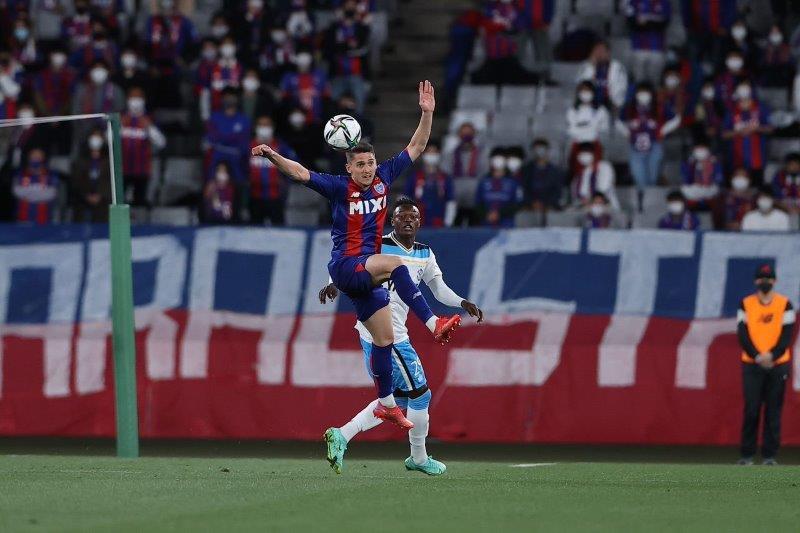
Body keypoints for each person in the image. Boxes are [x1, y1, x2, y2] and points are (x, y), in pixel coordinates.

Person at [252, 81, 462, 431]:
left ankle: (387, 405)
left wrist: (427, 113)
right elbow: (301, 173)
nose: (367, 169)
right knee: (396, 264)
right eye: (360, 164)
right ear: (348, 168)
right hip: (347, 266)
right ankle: (432, 323)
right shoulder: (338, 187)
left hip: (365, 274)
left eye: (370, 162)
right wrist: (273, 156)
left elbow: (417, 146)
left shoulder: (384, 177)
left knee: (384, 340)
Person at [319, 197, 484, 476]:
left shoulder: (424, 253)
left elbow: (438, 288)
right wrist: (334, 283)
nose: (408, 220)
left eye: (413, 216)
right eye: (402, 216)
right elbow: (350, 264)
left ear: (420, 222)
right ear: (392, 221)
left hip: (392, 332)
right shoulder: (378, 245)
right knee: (421, 394)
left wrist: (461, 302)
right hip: (385, 332)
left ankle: (342, 434)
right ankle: (418, 458)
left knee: (398, 400)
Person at [737, 264, 795, 465]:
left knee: (773, 411)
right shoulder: (746, 304)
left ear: (775, 281)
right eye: (762, 278)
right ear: (756, 281)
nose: (765, 282)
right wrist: (757, 356)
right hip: (752, 364)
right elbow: (742, 334)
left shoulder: (785, 304)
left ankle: (769, 456)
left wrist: (771, 356)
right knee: (752, 409)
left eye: (768, 278)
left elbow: (787, 335)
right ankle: (747, 456)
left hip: (777, 365)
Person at [617, 82, 680, 195]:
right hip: (636, 146)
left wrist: (663, 131)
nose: (643, 95)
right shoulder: (630, 107)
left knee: (652, 179)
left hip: (654, 145)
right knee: (640, 180)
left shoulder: (659, 106)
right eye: (640, 92)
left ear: (651, 94)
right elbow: (618, 121)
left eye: (646, 92)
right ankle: (643, 201)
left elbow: (676, 119)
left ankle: (652, 201)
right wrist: (627, 132)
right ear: (636, 94)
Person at [120, 87, 166, 207]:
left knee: (139, 204)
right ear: (127, 99)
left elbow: (161, 143)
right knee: (119, 202)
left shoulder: (150, 118)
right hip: (122, 169)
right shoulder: (120, 118)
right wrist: (119, 125)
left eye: (138, 97)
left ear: (143, 100)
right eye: (132, 97)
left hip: (142, 170)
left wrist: (149, 127)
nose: (135, 101)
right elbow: (107, 140)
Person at [248, 116, 296, 226]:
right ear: (256, 127)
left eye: (267, 125)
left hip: (276, 197)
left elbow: (294, 164)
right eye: (261, 125)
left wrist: (285, 180)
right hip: (254, 197)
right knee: (254, 231)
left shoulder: (280, 146)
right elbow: (240, 166)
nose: (264, 128)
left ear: (272, 127)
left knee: (278, 231)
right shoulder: (249, 146)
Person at [404, 141, 455, 228]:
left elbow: (451, 201)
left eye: (434, 152)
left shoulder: (445, 178)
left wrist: (448, 222)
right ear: (423, 154)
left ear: (439, 154)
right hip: (418, 221)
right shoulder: (415, 177)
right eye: (429, 152)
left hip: (439, 220)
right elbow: (405, 197)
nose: (431, 155)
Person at [566, 80, 609, 171]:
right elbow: (572, 131)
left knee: (595, 171)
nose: (585, 93)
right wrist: (592, 126)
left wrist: (582, 126)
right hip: (578, 144)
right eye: (583, 91)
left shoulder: (601, 110)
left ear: (593, 92)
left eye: (588, 90)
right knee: (577, 172)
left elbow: (604, 128)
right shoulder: (573, 110)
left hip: (594, 144)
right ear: (578, 93)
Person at [625, 0, 671, 84]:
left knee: (655, 82)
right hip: (638, 48)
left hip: (657, 48)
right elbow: (631, 22)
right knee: (639, 82)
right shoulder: (634, 2)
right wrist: (653, 22)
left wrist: (645, 22)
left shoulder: (664, 2)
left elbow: (664, 23)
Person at [475, 148, 522, 227]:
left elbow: (517, 203)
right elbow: (478, 203)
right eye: (496, 158)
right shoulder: (483, 181)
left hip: (506, 224)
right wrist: (486, 214)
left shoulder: (513, 182)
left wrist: (499, 214)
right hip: (486, 224)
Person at [72, 130, 112, 223]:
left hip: (103, 199)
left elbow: (110, 180)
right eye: (94, 136)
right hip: (83, 198)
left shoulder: (108, 160)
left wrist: (100, 195)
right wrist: (87, 195)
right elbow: (76, 180)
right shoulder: (80, 160)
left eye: (98, 137)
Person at [576, 41, 628, 110]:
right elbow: (581, 85)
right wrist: (591, 67)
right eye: (596, 51)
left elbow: (620, 90)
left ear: (608, 53)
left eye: (602, 51)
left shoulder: (617, 67)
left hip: (611, 104)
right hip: (589, 103)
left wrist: (616, 104)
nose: (599, 54)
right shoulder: (586, 66)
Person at [12, 148, 59, 224]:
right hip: (23, 217)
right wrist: (38, 192)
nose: (36, 158)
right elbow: (17, 192)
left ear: (43, 158)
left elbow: (51, 194)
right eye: (34, 156)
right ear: (29, 158)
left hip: (44, 218)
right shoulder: (20, 173)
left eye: (39, 156)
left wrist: (29, 194)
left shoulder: (51, 174)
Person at [571, 142, 619, 210]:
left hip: (605, 208)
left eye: (587, 152)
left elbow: (602, 191)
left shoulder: (604, 167)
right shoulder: (579, 175)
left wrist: (588, 201)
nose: (584, 155)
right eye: (581, 153)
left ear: (594, 154)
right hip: (585, 210)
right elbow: (577, 197)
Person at [521, 137, 563, 212]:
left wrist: (546, 204)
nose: (539, 152)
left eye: (542, 149)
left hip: (550, 207)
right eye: (536, 149)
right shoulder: (526, 170)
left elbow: (558, 191)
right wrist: (532, 202)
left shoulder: (556, 171)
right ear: (533, 151)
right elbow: (523, 189)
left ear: (547, 150)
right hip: (530, 207)